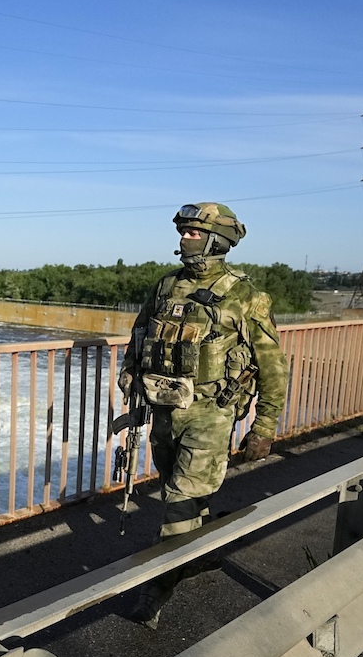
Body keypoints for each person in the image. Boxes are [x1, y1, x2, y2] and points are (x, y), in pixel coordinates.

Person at [118, 203, 288, 629]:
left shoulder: (245, 295)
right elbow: (141, 334)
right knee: (181, 494)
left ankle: (155, 592)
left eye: (194, 233)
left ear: (218, 240)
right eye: (184, 231)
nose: (184, 238)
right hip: (163, 410)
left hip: (211, 415)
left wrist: (264, 427)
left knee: (180, 502)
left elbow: (272, 366)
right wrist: (130, 374)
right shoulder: (166, 286)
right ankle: (201, 551)